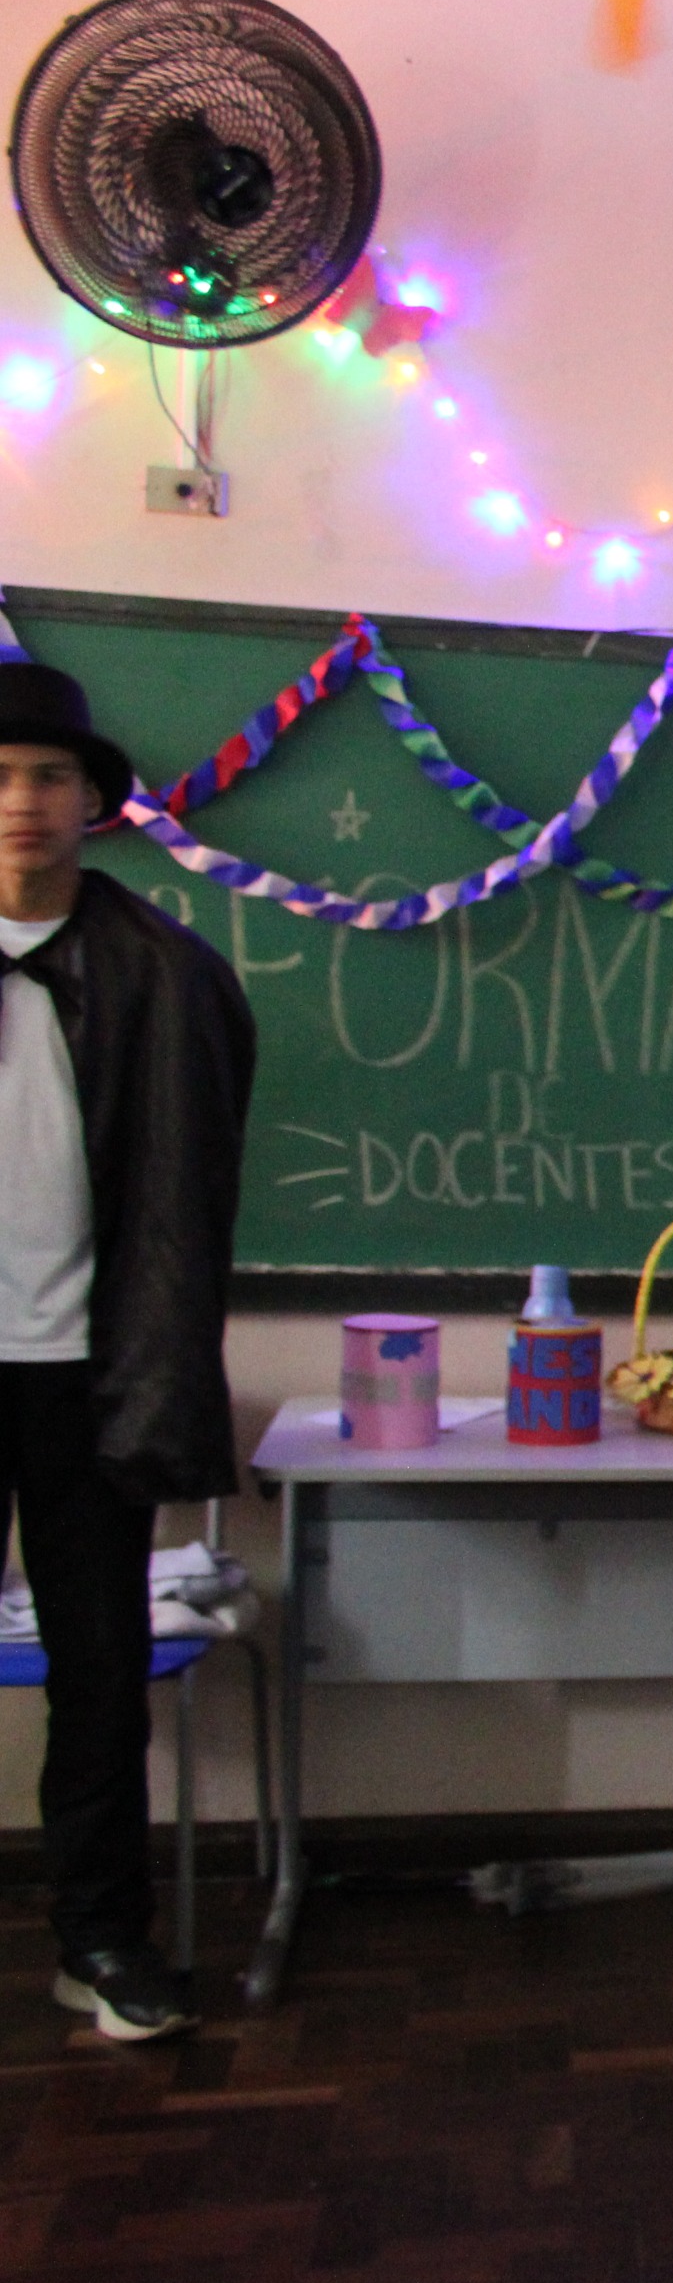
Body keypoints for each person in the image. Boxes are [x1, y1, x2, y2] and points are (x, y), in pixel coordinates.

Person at [0, 659, 254, 2045]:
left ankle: (101, 1939)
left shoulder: (164, 973)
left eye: (49, 776)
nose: (21, 802)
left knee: (99, 1672)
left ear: (90, 800)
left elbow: (187, 1205)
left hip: (92, 1376)